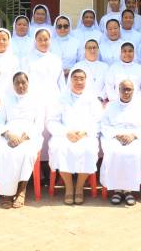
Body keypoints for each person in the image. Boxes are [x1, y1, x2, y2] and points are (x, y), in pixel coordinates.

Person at [0, 71, 45, 209]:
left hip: (29, 135)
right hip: (8, 133)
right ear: (12, 85)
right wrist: (8, 135)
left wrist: (23, 138)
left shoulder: (37, 100)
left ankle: (21, 190)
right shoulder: (6, 100)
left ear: (28, 83)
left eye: (23, 82)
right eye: (17, 83)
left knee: (26, 153)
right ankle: (6, 193)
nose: (20, 85)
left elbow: (39, 125)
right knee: (1, 152)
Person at [47, 67, 102, 205]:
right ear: (70, 80)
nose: (79, 81)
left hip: (86, 135)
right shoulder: (61, 98)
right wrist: (66, 132)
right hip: (64, 135)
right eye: (75, 78)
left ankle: (79, 187)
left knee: (88, 150)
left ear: (86, 81)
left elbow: (99, 120)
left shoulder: (92, 98)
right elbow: (51, 120)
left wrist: (85, 132)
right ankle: (69, 187)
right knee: (60, 149)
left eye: (82, 78)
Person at [100, 80, 141, 206]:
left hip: (135, 137)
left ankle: (129, 191)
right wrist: (117, 135)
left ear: (133, 91)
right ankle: (117, 190)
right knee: (115, 152)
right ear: (118, 90)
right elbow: (104, 125)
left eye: (129, 89)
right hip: (115, 137)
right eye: (123, 89)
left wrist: (133, 135)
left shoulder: (140, 106)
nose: (126, 92)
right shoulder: (111, 106)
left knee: (134, 153)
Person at [20, 28, 64, 103]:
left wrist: (63, 99)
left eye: (46, 39)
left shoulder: (56, 60)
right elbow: (23, 82)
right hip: (33, 99)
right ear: (35, 41)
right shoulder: (26, 60)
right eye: (40, 39)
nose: (43, 42)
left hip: (54, 99)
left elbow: (61, 83)